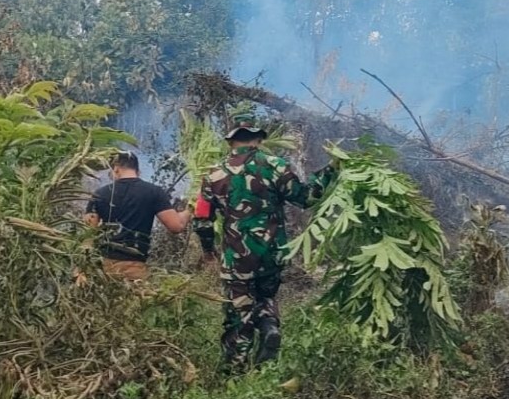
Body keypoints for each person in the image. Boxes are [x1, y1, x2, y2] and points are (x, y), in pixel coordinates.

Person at [194, 113, 338, 368]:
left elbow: (202, 218)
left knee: (238, 314)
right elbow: (306, 198)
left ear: (231, 142)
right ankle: (270, 326)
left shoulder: (214, 175)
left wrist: (208, 251)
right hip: (273, 254)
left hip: (236, 258)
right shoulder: (276, 166)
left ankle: (234, 371)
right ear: (258, 140)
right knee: (265, 296)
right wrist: (331, 171)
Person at [85, 151, 188, 281]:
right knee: (134, 299)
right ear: (138, 171)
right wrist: (190, 211)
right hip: (135, 265)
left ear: (116, 169)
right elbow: (176, 226)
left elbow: (87, 235)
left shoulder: (99, 194)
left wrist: (82, 268)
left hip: (105, 266)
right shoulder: (153, 192)